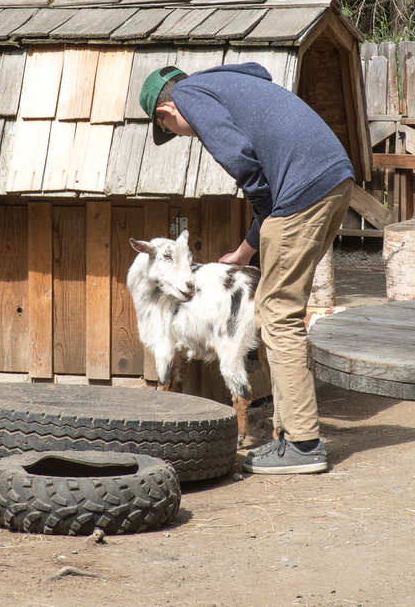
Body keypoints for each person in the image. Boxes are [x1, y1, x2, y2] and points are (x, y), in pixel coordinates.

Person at [139, 63, 355, 474]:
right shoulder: (227, 81)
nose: (185, 136)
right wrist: (244, 252)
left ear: (166, 114)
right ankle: (285, 437)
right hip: (335, 180)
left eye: (173, 132)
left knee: (277, 315)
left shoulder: (190, 98)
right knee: (276, 309)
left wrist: (262, 213)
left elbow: (243, 163)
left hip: (304, 190)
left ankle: (304, 445)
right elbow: (271, 194)